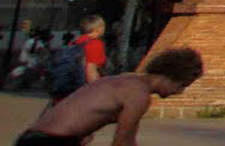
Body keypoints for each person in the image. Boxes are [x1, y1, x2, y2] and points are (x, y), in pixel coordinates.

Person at [15, 46, 202, 146]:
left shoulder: (124, 82)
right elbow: (121, 142)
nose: (179, 92)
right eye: (181, 85)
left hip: (34, 137)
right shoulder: (138, 95)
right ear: (170, 75)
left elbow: (128, 137)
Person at [46, 17, 109, 103]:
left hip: (65, 90)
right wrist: (97, 92)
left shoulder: (74, 42)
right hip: (82, 93)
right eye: (102, 25)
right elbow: (90, 70)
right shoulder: (95, 43)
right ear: (96, 28)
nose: (104, 28)